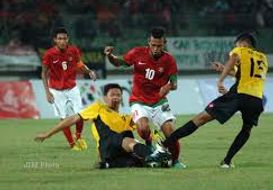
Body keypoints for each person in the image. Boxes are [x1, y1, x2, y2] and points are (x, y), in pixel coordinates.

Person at [162, 32, 268, 168]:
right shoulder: (263, 58)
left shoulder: (240, 50)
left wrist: (220, 80)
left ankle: (164, 145)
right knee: (246, 129)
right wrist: (224, 69)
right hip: (256, 99)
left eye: (236, 44)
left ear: (243, 43)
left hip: (238, 95)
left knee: (201, 118)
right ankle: (227, 161)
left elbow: (233, 59)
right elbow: (244, 73)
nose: (235, 47)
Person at [34, 83, 172, 169]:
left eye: (118, 95)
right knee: (130, 141)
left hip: (114, 154)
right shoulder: (98, 108)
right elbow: (72, 119)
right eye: (112, 95)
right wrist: (48, 134)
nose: (116, 97)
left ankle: (108, 164)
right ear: (105, 97)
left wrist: (152, 139)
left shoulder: (127, 118)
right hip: (107, 143)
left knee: (138, 162)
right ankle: (156, 156)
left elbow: (145, 131)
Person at [103, 26, 185, 168]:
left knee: (171, 132)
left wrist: (168, 87)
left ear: (164, 43)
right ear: (149, 42)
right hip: (139, 100)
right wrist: (110, 56)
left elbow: (175, 83)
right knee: (143, 128)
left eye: (159, 46)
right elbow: (119, 62)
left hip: (159, 101)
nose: (155, 49)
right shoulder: (137, 53)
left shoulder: (169, 60)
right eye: (153, 45)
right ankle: (149, 144)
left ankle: (176, 161)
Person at [41, 27, 96, 150]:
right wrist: (47, 92)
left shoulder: (73, 51)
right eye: (59, 39)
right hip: (56, 90)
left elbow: (80, 65)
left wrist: (89, 72)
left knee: (80, 114)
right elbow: (44, 73)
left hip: (72, 88)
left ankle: (78, 137)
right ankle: (72, 144)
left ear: (68, 39)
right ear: (55, 40)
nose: (62, 41)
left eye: (64, 38)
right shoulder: (49, 54)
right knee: (64, 118)